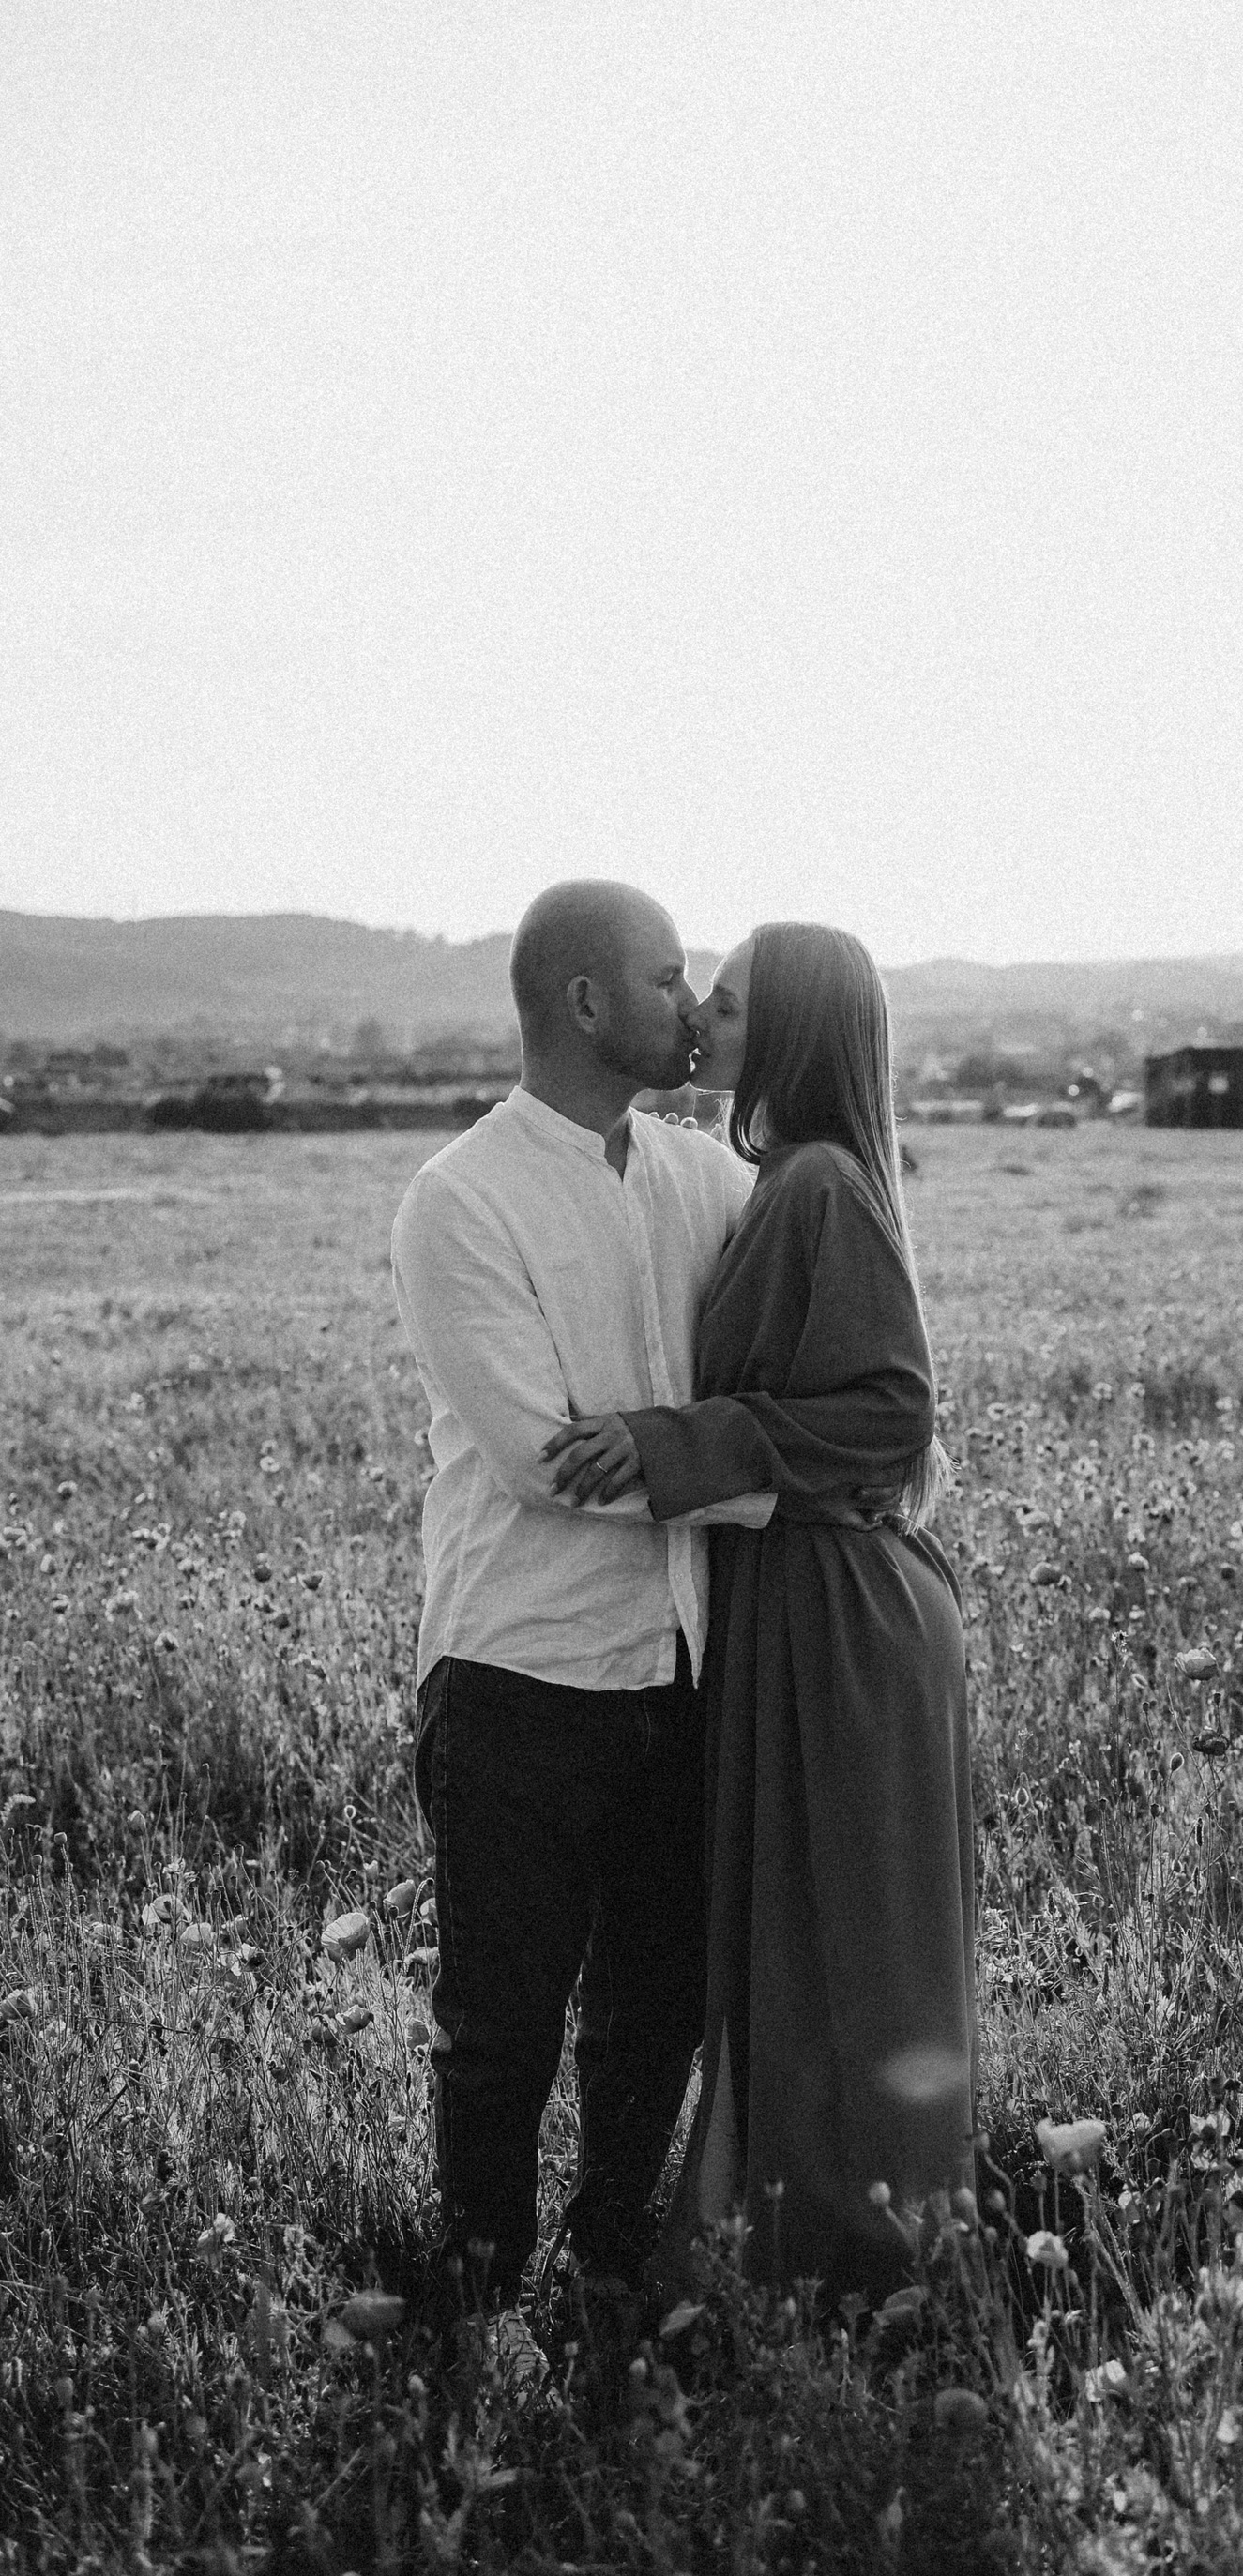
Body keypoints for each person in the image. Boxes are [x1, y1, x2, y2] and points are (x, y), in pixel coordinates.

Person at [543, 923, 976, 2294]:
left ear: (783, 1033)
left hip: (838, 1612)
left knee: (836, 1941)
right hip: (807, 1598)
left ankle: (845, 2253)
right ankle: (820, 2239)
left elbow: (893, 1412)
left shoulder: (819, 1187)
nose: (700, 1024)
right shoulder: (788, 1178)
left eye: (725, 1007)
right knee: (806, 1936)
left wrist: (675, 1442)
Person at [390, 879, 770, 2320]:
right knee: (501, 2025)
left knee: (654, 2010)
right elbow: (544, 1458)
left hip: (682, 1665)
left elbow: (791, 1368)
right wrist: (761, 1485)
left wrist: (753, 1448)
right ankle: (472, 2303)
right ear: (586, 1001)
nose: (692, 1004)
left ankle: (607, 2276)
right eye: (668, 979)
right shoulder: (462, 1199)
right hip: (518, 1673)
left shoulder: (708, 1181)